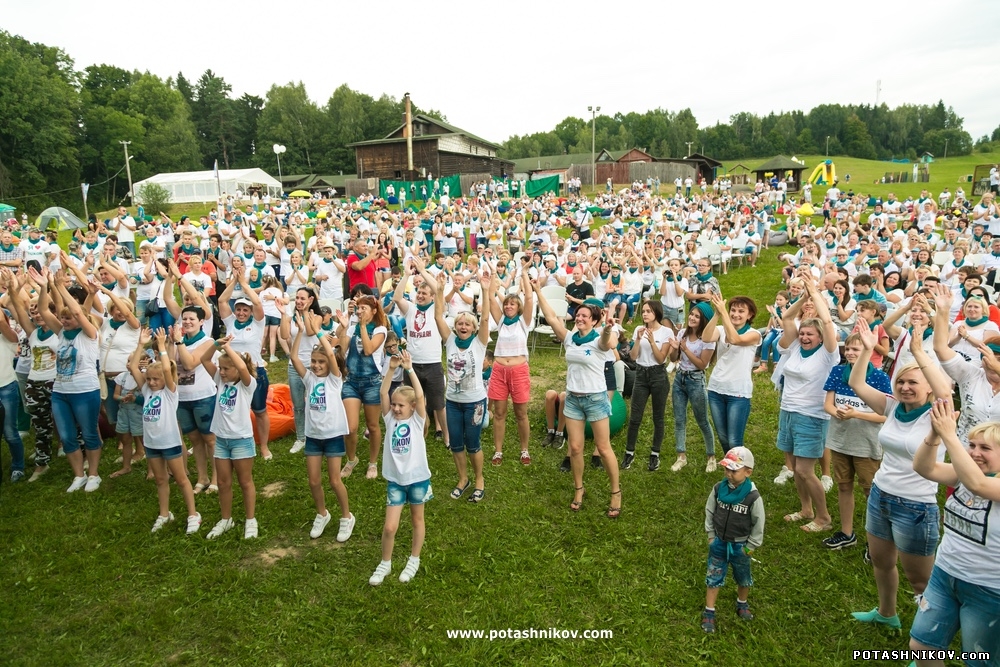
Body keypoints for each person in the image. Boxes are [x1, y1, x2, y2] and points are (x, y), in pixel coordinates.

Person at [847, 312, 950, 630]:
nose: (905, 387)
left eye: (913, 383)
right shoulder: (891, 406)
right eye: (901, 381)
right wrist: (866, 349)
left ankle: (929, 645)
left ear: (928, 389)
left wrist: (919, 352)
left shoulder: (938, 414)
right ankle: (886, 613)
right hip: (881, 496)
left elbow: (944, 389)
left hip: (916, 507)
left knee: (922, 583)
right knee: (881, 563)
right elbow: (856, 383)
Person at [910, 402, 1000, 666]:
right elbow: (924, 468)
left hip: (989, 588)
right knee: (921, 647)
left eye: (985, 448)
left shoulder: (980, 480)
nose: (975, 453)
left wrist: (951, 436)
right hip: (945, 575)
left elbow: (980, 485)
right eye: (971, 445)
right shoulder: (964, 474)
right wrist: (935, 434)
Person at [534, 291, 622, 519]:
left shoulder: (598, 340)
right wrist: (536, 291)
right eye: (578, 315)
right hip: (573, 399)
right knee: (574, 448)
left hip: (595, 399)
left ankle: (616, 492)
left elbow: (605, 341)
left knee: (603, 448)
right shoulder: (570, 338)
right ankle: (579, 489)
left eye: (584, 316)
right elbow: (552, 317)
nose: (579, 318)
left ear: (594, 320)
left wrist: (608, 327)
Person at [774, 274, 840, 532]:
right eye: (802, 333)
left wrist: (815, 294)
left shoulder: (828, 355)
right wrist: (803, 297)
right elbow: (788, 318)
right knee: (796, 468)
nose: (803, 337)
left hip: (811, 416)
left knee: (804, 470)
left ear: (821, 336)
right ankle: (805, 509)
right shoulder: (794, 349)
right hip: (788, 411)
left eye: (810, 334)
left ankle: (823, 518)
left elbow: (826, 320)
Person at [32, 268, 103, 492]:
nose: (64, 320)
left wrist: (60, 286)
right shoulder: (61, 333)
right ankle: (78, 475)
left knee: (89, 432)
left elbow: (79, 312)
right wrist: (45, 286)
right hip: (61, 392)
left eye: (68, 316)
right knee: (67, 435)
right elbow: (44, 309)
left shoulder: (90, 333)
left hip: (85, 390)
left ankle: (93, 474)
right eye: (62, 317)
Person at [819, 332, 891, 550]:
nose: (850, 353)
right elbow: (828, 404)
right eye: (848, 349)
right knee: (844, 486)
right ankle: (847, 532)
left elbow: (885, 415)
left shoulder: (879, 378)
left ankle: (875, 540)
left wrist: (856, 414)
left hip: (866, 443)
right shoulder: (838, 371)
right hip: (840, 440)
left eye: (855, 349)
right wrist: (836, 412)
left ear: (867, 352)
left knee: (870, 491)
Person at [288, 313, 355, 542]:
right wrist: (299, 331)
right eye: (314, 362)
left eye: (320, 362)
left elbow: (330, 353)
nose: (316, 365)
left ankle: (346, 517)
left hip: (334, 435)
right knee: (314, 481)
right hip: (314, 436)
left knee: (335, 480)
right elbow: (295, 357)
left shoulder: (335, 379)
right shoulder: (309, 379)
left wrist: (318, 331)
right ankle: (322, 513)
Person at [129, 328, 201, 534]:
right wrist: (141, 344)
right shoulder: (146, 390)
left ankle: (193, 515)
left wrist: (161, 346)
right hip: (152, 445)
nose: (151, 383)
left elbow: (168, 372)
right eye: (149, 379)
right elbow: (134, 367)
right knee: (161, 480)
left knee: (181, 479)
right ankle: (164, 514)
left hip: (170, 443)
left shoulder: (170, 393)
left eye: (155, 379)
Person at [369, 351, 431, 586]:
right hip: (395, 480)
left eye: (400, 405)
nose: (395, 408)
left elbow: (422, 396)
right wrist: (393, 368)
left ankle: (414, 559)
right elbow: (383, 392)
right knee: (390, 526)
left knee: (417, 520)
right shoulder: (390, 420)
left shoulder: (416, 420)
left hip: (417, 479)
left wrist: (410, 369)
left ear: (413, 407)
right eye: (394, 405)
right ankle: (386, 562)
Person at [432, 270, 493, 503]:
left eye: (468, 323)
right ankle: (463, 479)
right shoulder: (449, 341)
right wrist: (439, 291)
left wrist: (486, 291)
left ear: (474, 327)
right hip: (453, 402)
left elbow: (486, 318)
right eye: (460, 323)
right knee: (456, 443)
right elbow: (438, 317)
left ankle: (479, 480)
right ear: (455, 326)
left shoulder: (479, 342)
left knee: (473, 444)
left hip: (475, 403)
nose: (463, 326)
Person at [200, 336, 259, 540]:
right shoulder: (220, 380)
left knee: (245, 481)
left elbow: (243, 369)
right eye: (221, 368)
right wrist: (217, 345)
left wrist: (228, 348)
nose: (221, 372)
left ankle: (251, 520)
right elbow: (204, 360)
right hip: (222, 440)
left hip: (241, 439)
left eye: (226, 369)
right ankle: (226, 519)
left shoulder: (247, 384)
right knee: (224, 482)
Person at [701, 447, 764, 634]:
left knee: (743, 576)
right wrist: (711, 535)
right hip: (719, 542)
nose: (728, 473)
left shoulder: (752, 496)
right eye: (726, 469)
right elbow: (709, 510)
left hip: (741, 545)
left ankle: (742, 603)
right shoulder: (718, 489)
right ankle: (709, 611)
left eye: (734, 470)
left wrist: (750, 547)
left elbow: (759, 522)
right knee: (713, 575)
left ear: (748, 472)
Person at [219, 275, 272, 460]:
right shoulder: (230, 322)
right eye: (238, 309)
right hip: (233, 373)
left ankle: (264, 446)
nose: (241, 313)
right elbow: (221, 300)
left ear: (250, 312)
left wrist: (244, 284)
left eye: (245, 310)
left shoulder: (258, 323)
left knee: (259, 410)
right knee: (233, 408)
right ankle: (235, 440)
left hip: (255, 371)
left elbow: (257, 302)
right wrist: (234, 281)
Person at [336, 295, 388, 480]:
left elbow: (368, 350)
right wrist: (343, 327)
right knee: (350, 428)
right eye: (358, 308)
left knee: (373, 426)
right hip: (351, 381)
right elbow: (341, 350)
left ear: (373, 311)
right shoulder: (351, 327)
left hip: (372, 382)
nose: (359, 311)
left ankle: (372, 463)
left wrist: (364, 327)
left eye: (363, 308)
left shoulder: (381, 329)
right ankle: (351, 460)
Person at [486, 272, 534, 466]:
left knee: (521, 413)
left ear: (518, 307)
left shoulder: (524, 322)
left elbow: (529, 297)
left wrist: (523, 274)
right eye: (506, 304)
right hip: (498, 370)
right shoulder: (501, 322)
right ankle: (498, 451)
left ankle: (524, 449)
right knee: (499, 413)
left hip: (518, 370)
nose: (508, 306)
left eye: (512, 304)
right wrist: (490, 282)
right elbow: (490, 298)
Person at [704, 293, 761, 454]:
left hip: (738, 393)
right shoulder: (721, 329)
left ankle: (740, 475)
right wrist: (717, 314)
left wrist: (724, 315)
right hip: (716, 388)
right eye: (733, 310)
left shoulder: (754, 334)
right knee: (722, 437)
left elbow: (735, 339)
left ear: (750, 315)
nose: (736, 314)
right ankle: (731, 472)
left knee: (734, 439)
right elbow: (706, 337)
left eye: (741, 311)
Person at [622, 300, 673, 470]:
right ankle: (629, 452)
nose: (644, 314)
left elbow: (661, 358)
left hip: (658, 374)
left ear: (656, 313)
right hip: (641, 374)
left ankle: (655, 454)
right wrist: (637, 339)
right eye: (643, 311)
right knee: (635, 416)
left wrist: (652, 341)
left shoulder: (666, 332)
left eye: (648, 311)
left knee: (658, 417)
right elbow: (633, 357)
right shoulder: (639, 329)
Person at [669, 303, 717, 472]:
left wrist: (686, 349)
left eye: (697, 316)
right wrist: (675, 349)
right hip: (679, 378)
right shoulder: (682, 333)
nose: (692, 318)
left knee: (702, 420)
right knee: (679, 419)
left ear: (704, 319)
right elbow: (674, 358)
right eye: (691, 314)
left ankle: (711, 457)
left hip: (696, 380)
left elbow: (703, 364)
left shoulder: (708, 340)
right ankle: (681, 456)